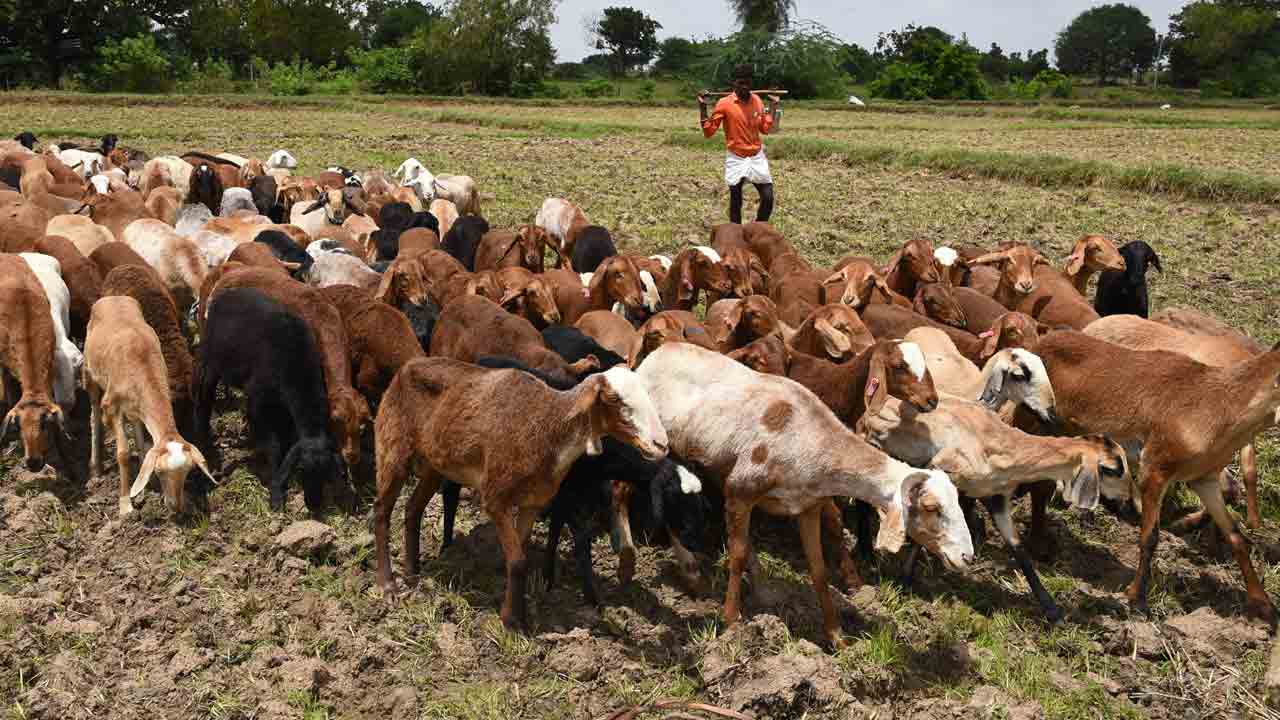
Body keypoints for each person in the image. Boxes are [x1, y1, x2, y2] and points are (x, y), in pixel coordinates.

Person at [698, 64, 781, 224]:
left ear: (751, 83)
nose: (744, 87)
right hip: (736, 157)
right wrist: (702, 107)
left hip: (757, 156)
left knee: (768, 198)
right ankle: (736, 235)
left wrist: (773, 106)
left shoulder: (756, 101)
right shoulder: (724, 103)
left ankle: (757, 229)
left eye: (747, 83)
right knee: (736, 201)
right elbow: (708, 132)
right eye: (740, 83)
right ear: (733, 83)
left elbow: (765, 129)